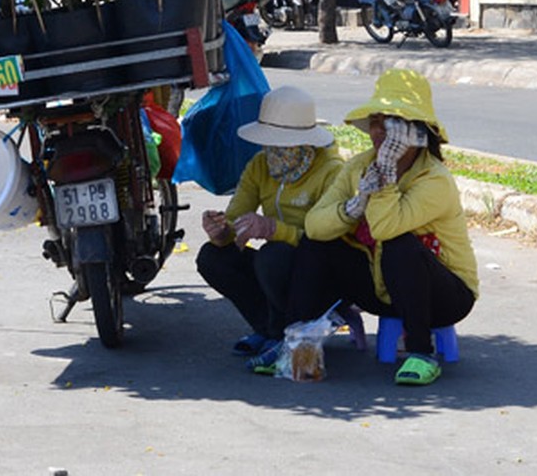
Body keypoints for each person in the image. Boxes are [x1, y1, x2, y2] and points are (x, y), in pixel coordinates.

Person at [280, 69, 479, 386]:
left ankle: (421, 353)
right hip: (380, 286)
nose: (379, 132)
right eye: (375, 122)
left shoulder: (435, 179)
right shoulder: (358, 166)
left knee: (401, 246)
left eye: (391, 124)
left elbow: (386, 228)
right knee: (317, 245)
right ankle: (294, 343)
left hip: (444, 296)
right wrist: (353, 207)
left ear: (415, 133)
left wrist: (385, 173)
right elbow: (314, 225)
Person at [198, 86, 344, 364]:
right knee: (212, 257)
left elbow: (326, 237)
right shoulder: (260, 165)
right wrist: (221, 231)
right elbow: (236, 216)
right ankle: (266, 328)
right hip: (276, 265)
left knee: (272, 256)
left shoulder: (332, 170)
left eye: (284, 142)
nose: (274, 150)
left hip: (319, 269)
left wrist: (273, 229)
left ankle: (279, 333)